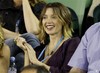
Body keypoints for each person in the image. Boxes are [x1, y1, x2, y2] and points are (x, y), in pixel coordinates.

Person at [14, 2, 80, 73]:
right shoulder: (41, 48)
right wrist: (26, 51)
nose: (48, 21)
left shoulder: (72, 43)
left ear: (64, 20)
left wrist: (37, 62)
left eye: (53, 17)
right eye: (45, 17)